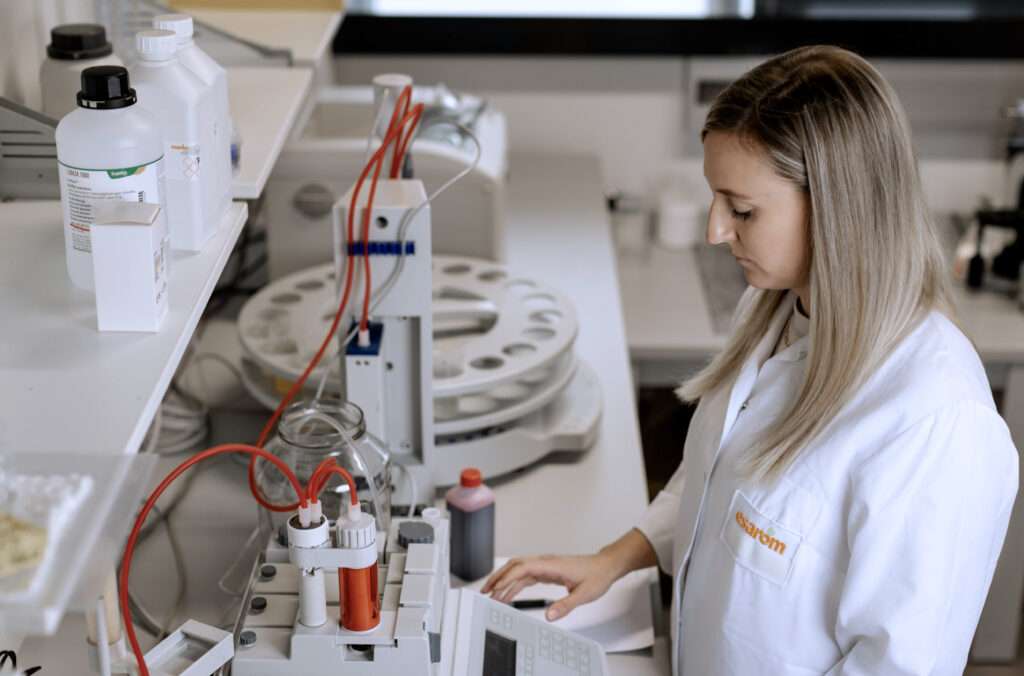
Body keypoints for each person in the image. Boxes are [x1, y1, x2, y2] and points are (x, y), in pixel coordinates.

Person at [483, 45, 1019, 675]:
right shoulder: (771, 311)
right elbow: (714, 476)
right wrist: (618, 556)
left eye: (741, 210)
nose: (715, 230)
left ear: (837, 208)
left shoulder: (936, 424)